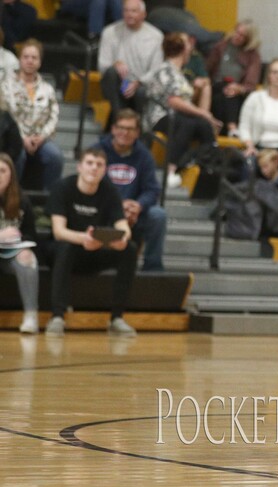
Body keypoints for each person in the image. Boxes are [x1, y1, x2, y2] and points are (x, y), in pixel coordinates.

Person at [44, 148, 139, 337]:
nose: (94, 168)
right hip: (66, 250)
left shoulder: (110, 191)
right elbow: (59, 231)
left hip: (95, 250)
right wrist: (83, 238)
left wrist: (121, 239)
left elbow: (123, 227)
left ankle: (117, 318)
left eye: (99, 165)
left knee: (130, 249)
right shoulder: (63, 187)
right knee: (66, 247)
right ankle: (57, 317)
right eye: (89, 163)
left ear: (104, 170)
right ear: (79, 166)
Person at [144, 32, 220, 188]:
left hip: (181, 117)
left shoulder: (180, 74)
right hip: (161, 116)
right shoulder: (165, 70)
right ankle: (170, 170)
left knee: (204, 126)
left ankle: (201, 164)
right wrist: (203, 113)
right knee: (189, 123)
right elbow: (174, 101)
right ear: (184, 49)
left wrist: (205, 117)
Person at [95, 109, 167, 271]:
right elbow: (92, 184)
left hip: (134, 213)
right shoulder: (98, 151)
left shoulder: (145, 155)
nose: (125, 133)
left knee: (158, 215)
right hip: (104, 210)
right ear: (113, 129)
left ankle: (152, 268)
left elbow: (152, 189)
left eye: (130, 129)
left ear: (137, 133)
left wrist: (138, 206)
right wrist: (118, 207)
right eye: (121, 127)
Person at [0, 39, 63, 190]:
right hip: (13, 138)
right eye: (26, 57)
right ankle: (13, 197)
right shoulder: (5, 85)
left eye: (34, 58)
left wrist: (42, 137)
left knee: (55, 156)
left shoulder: (47, 89)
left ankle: (47, 202)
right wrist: (22, 138)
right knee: (17, 156)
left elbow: (53, 116)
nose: (30, 61)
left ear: (40, 62)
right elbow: (5, 119)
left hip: (40, 138)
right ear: (19, 59)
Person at [98, 0, 164, 127]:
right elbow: (102, 65)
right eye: (126, 10)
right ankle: (119, 122)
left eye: (133, 11)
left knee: (142, 92)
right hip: (121, 83)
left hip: (141, 84)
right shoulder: (110, 32)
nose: (129, 14)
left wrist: (139, 82)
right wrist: (115, 64)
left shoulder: (156, 36)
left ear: (143, 14)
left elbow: (156, 69)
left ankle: (138, 130)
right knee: (111, 72)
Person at [0, 152, 38, 333]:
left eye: (2, 171)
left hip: (9, 255)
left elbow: (31, 234)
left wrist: (21, 242)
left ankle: (31, 316)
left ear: (11, 175)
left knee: (27, 258)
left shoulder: (22, 200)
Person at [205, 19, 261, 137]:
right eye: (237, 32)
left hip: (235, 93)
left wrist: (239, 88)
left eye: (242, 36)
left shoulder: (253, 56)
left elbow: (251, 83)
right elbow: (207, 70)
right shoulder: (220, 47)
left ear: (248, 39)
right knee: (225, 88)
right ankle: (232, 128)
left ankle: (221, 131)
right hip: (216, 86)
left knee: (225, 97)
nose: (237, 37)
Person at [223, 148, 278, 240]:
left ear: (276, 162)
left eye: (266, 166)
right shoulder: (261, 184)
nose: (263, 171)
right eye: (261, 167)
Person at [239, 58, 278, 155]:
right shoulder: (255, 98)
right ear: (268, 75)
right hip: (259, 148)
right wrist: (250, 146)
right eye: (274, 72)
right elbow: (244, 126)